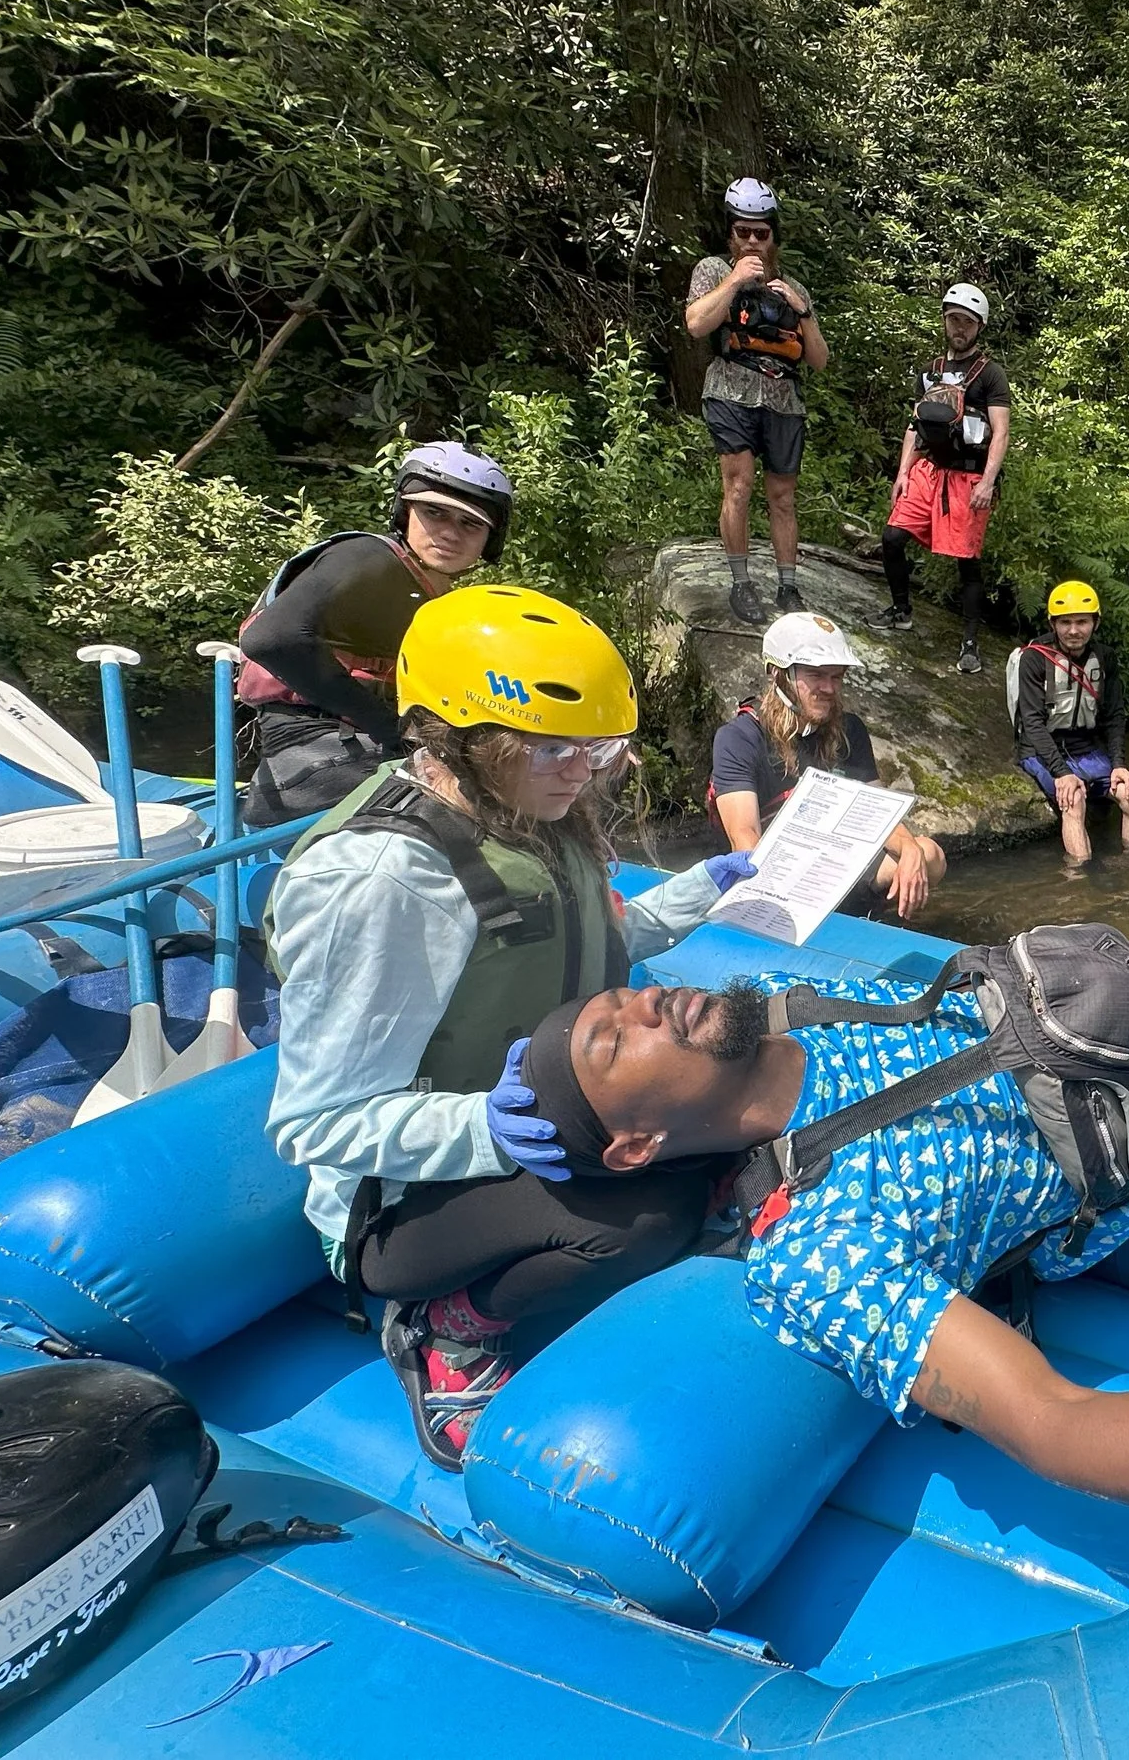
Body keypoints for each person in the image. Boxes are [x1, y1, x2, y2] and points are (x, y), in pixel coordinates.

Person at [494, 958, 1129, 1517]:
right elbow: (1054, 1423)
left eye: (621, 996)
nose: (640, 1001)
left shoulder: (782, 1004)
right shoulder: (818, 1251)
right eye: (611, 1036)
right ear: (632, 1145)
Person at [261, 581, 759, 1469]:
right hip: (401, 1199)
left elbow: (574, 945)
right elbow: (315, 1123)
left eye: (601, 749)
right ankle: (445, 1332)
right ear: (458, 737)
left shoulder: (532, 811)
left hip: (542, 1112)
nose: (582, 769)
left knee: (731, 1127)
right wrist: (487, 1129)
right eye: (554, 747)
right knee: (643, 1217)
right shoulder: (383, 881)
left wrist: (699, 892)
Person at [237, 441, 512, 827]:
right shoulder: (367, 556)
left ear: (490, 538)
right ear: (405, 512)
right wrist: (386, 727)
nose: (450, 533)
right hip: (310, 741)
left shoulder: (430, 590)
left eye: (470, 524)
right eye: (434, 513)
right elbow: (271, 638)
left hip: (350, 735)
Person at [709, 611, 948, 921]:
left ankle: (869, 918)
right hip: (776, 876)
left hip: (837, 869)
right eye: (816, 675)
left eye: (837, 676)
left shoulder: (850, 730)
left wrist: (909, 849)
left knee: (929, 854)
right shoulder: (739, 737)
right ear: (779, 674)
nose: (829, 688)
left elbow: (878, 813)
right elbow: (745, 839)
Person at [683, 178, 829, 626]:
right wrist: (734, 281)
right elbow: (695, 324)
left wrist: (801, 310)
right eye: (743, 232)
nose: (751, 241)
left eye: (760, 233)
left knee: (782, 497)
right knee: (739, 484)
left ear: (773, 237)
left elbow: (820, 360)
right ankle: (742, 582)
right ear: (730, 233)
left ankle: (788, 585)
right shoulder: (712, 270)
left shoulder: (794, 287)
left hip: (783, 400)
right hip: (730, 389)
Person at [882, 284, 1012, 675]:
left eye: (967, 322)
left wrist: (988, 482)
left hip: (967, 476)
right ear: (945, 320)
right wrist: (902, 473)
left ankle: (970, 643)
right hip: (928, 471)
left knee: (966, 561)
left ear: (979, 326)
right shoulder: (930, 371)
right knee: (891, 538)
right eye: (953, 319)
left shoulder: (990, 375)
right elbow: (914, 426)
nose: (959, 328)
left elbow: (1001, 432)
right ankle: (901, 610)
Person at [1010, 580, 1129, 862]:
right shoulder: (1034, 659)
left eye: (1082, 622)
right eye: (1065, 622)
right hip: (1041, 751)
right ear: (1053, 624)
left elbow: (1114, 716)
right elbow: (1033, 722)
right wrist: (1061, 773)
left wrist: (1119, 765)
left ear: (1095, 623)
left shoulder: (1105, 657)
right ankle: (1079, 879)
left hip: (1086, 747)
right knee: (1073, 799)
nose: (1074, 630)